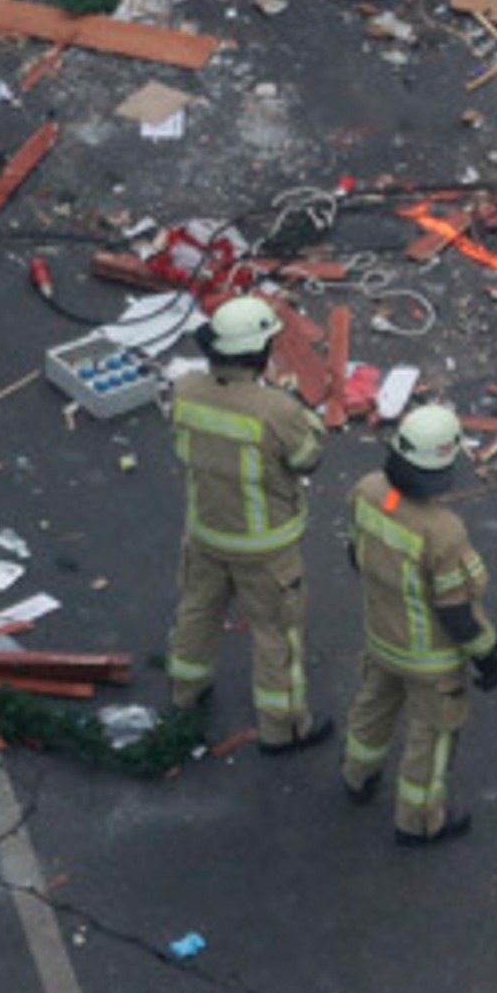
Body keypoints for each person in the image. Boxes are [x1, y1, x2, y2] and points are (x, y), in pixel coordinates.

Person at [166, 294, 329, 751]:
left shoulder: (186, 390)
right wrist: (302, 415)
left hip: (205, 533)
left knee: (197, 612)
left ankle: (185, 693)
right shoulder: (276, 410)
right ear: (260, 353)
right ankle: (284, 728)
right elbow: (307, 458)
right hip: (265, 549)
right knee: (276, 636)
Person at [340, 404, 497, 846]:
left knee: (372, 709)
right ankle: (418, 822)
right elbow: (457, 614)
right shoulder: (443, 532)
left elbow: (356, 556)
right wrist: (489, 655)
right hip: (431, 662)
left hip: (381, 637)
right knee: (429, 740)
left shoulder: (368, 491)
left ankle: (358, 777)